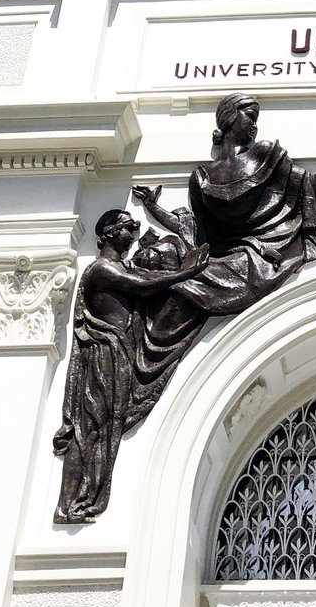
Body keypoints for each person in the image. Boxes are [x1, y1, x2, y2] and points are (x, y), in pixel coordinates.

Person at [131, 92, 316, 315]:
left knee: (183, 291)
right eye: (250, 117)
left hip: (266, 258)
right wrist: (152, 206)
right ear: (230, 118)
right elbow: (195, 231)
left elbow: (310, 188)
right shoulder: (201, 178)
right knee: (176, 296)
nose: (254, 126)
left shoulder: (266, 155)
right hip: (224, 259)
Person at [53, 210, 209, 523]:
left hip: (119, 351)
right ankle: (73, 503)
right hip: (103, 356)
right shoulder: (102, 269)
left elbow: (144, 277)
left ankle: (86, 498)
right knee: (91, 430)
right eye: (128, 227)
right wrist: (184, 272)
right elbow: (140, 284)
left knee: (105, 431)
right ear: (109, 232)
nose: (133, 233)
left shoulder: (120, 265)